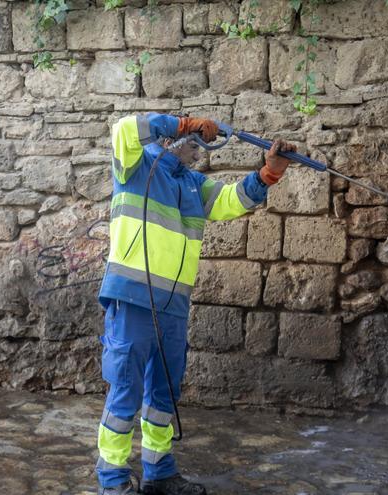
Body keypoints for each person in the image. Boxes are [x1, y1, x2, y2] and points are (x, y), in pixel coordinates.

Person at [95, 113, 296, 495]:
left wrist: (268, 174)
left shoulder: (192, 185)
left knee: (163, 394)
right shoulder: (134, 165)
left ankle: (158, 473)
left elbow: (231, 201)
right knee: (125, 390)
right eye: (194, 142)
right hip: (133, 300)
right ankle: (113, 482)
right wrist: (181, 122)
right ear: (171, 139)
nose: (200, 150)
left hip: (172, 307)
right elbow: (124, 127)